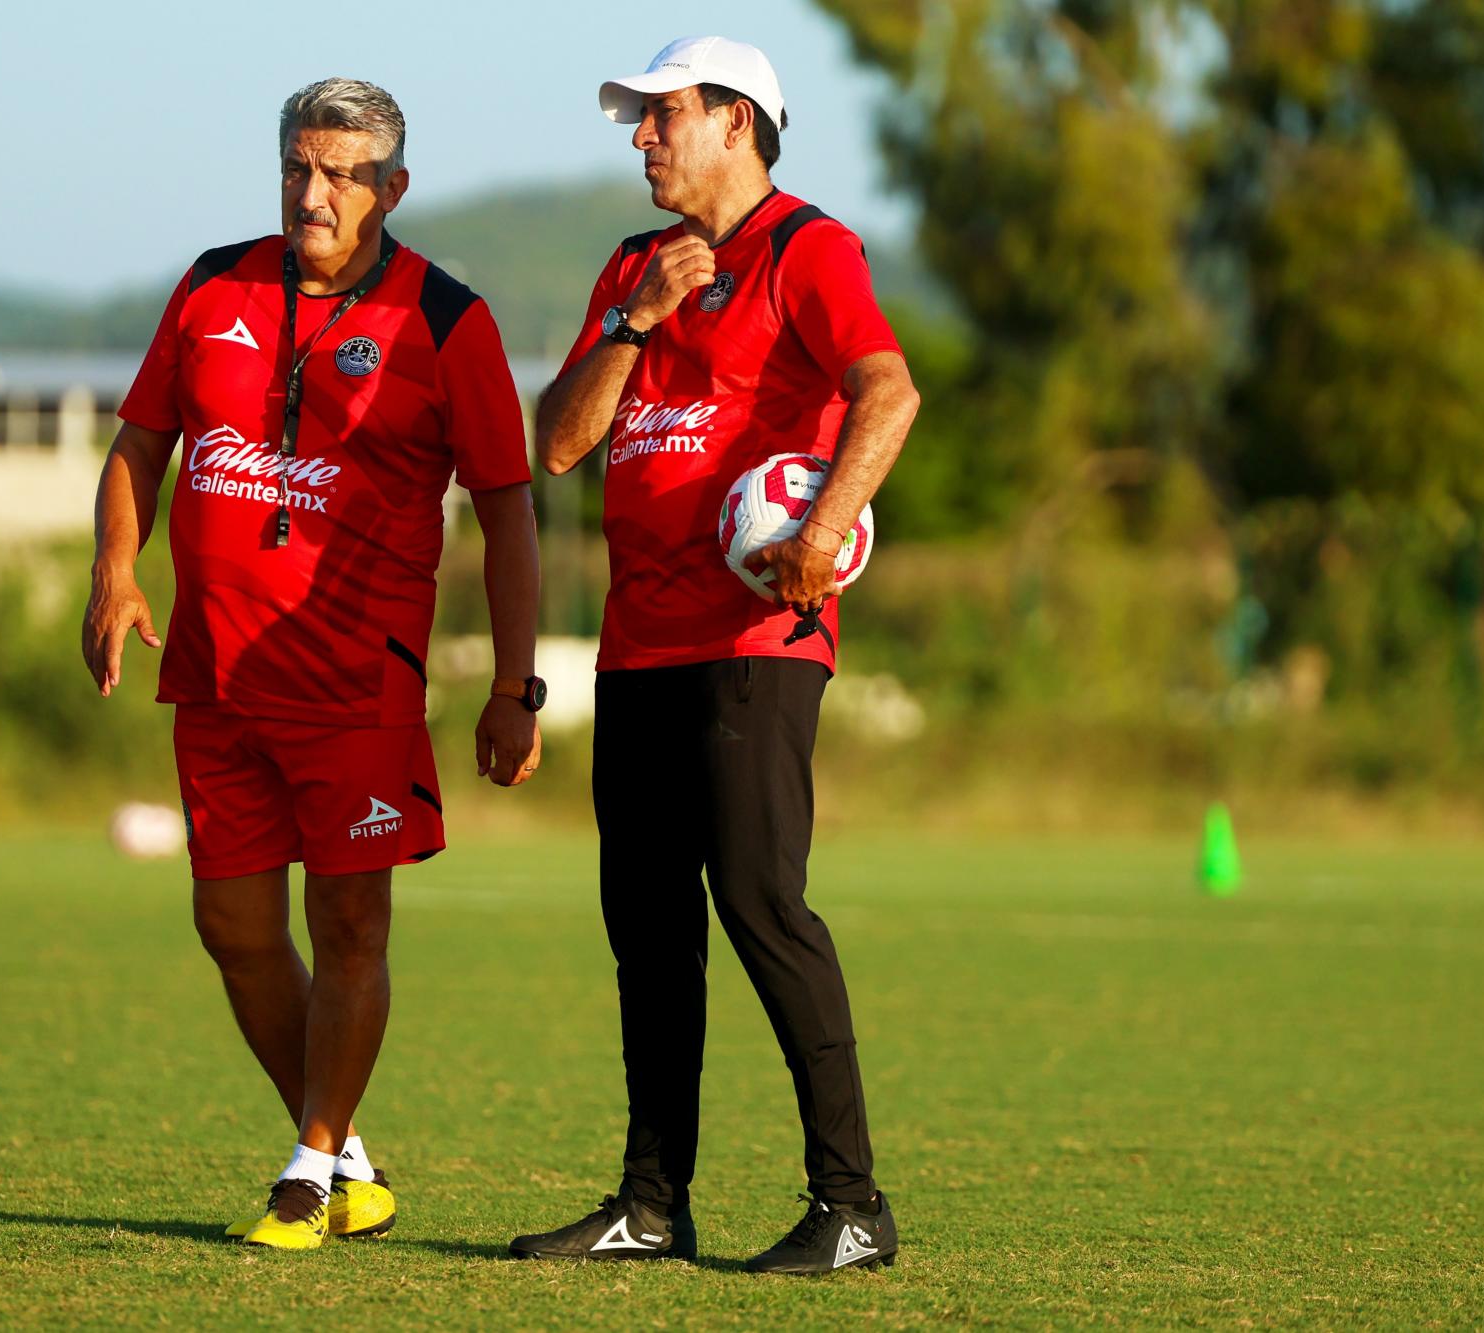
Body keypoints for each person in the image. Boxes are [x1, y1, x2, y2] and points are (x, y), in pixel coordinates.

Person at [81, 77, 546, 1252]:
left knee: (349, 933)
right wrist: (115, 572)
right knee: (233, 926)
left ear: (391, 189)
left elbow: (508, 512)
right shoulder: (210, 285)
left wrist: (510, 685)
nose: (312, 193)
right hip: (215, 675)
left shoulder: (449, 321)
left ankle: (308, 1166)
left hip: (359, 685)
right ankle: (348, 1154)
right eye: (297, 167)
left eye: (340, 174)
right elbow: (143, 439)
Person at [507, 37, 921, 1275]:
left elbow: (887, 391)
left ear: (737, 122)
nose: (640, 136)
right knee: (645, 924)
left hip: (756, 637)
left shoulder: (810, 249)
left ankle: (850, 1204)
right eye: (637, 118)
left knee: (757, 901)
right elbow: (561, 444)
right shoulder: (633, 266)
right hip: (637, 647)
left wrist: (825, 527)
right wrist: (638, 323)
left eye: (662, 114)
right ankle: (648, 1203)